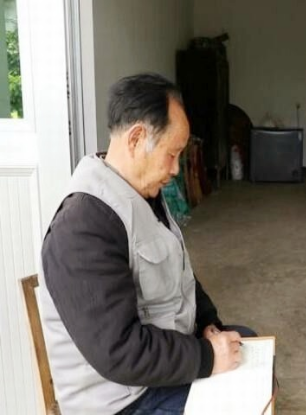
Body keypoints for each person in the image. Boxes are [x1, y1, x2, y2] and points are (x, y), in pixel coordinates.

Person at [40, 73, 254, 415]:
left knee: (248, 346)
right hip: (125, 399)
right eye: (172, 154)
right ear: (137, 138)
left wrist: (208, 323)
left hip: (157, 370)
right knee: (246, 396)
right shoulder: (83, 226)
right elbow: (121, 352)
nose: (176, 169)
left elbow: (178, 270)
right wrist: (207, 357)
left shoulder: (140, 192)